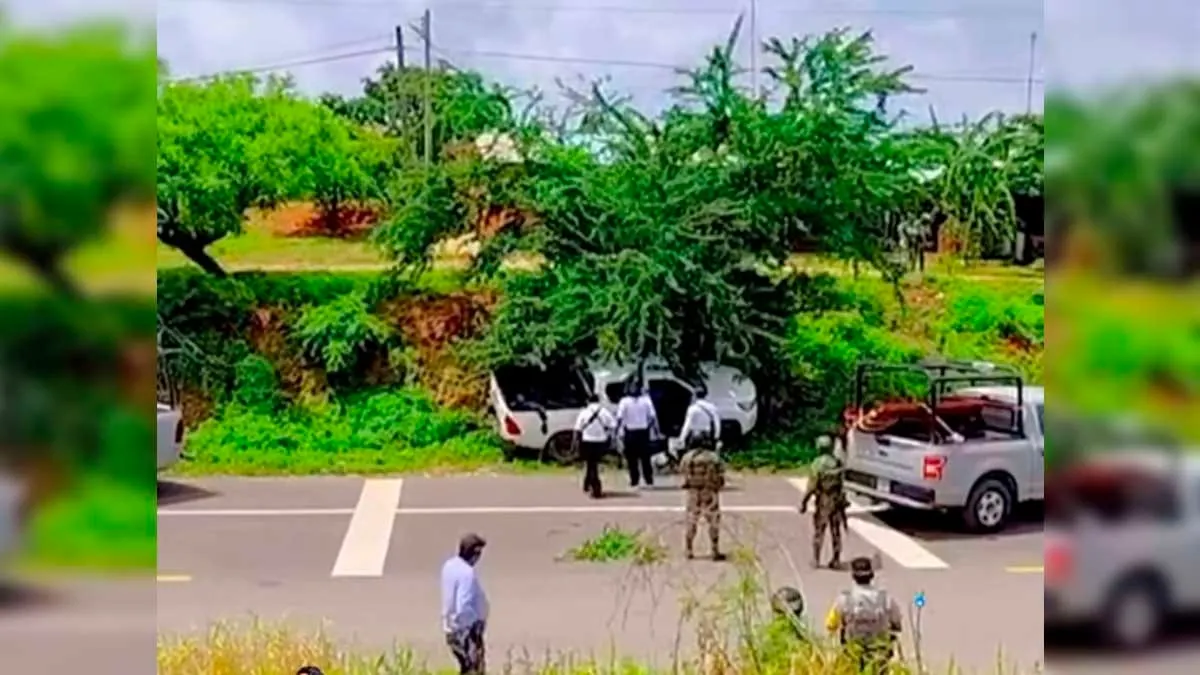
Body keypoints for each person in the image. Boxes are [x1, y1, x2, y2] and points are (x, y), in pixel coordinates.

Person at [824, 556, 903, 674]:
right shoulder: (886, 599)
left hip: (853, 654)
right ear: (872, 576)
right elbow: (897, 624)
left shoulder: (844, 600)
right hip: (879, 655)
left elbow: (830, 625)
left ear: (853, 576)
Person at [442, 533, 489, 675]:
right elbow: (463, 606)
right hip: (466, 631)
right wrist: (474, 625)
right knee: (474, 669)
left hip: (451, 627)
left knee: (466, 667)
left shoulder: (450, 566)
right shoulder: (467, 573)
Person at [800, 435, 848, 569]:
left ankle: (816, 559)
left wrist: (804, 502)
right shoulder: (837, 462)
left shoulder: (817, 464)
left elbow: (811, 487)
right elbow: (841, 483)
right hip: (836, 501)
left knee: (819, 530)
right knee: (836, 531)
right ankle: (836, 559)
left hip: (823, 501)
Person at [679, 439, 726, 561]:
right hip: (709, 491)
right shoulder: (713, 457)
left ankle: (689, 549)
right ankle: (714, 550)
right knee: (713, 520)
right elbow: (721, 472)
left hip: (693, 491)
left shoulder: (688, 457)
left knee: (692, 519)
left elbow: (682, 471)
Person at [616, 382, 659, 489]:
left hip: (631, 432)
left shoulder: (624, 401)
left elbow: (619, 418)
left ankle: (636, 481)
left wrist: (617, 431)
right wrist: (653, 429)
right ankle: (647, 480)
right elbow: (652, 417)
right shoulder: (646, 400)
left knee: (634, 458)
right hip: (642, 432)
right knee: (643, 458)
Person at [573, 392, 616, 498]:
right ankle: (588, 484)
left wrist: (575, 443)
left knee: (591, 464)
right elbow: (613, 425)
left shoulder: (584, 412)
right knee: (593, 464)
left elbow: (577, 428)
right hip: (601, 441)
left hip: (587, 441)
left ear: (588, 401)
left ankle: (595, 488)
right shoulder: (604, 412)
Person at [678, 383, 721, 459]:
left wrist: (682, 438)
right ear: (706, 395)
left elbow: (687, 425)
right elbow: (717, 424)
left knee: (690, 457)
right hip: (706, 436)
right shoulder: (712, 407)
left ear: (695, 395)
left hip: (695, 437)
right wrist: (716, 437)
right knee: (709, 458)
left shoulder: (692, 408)